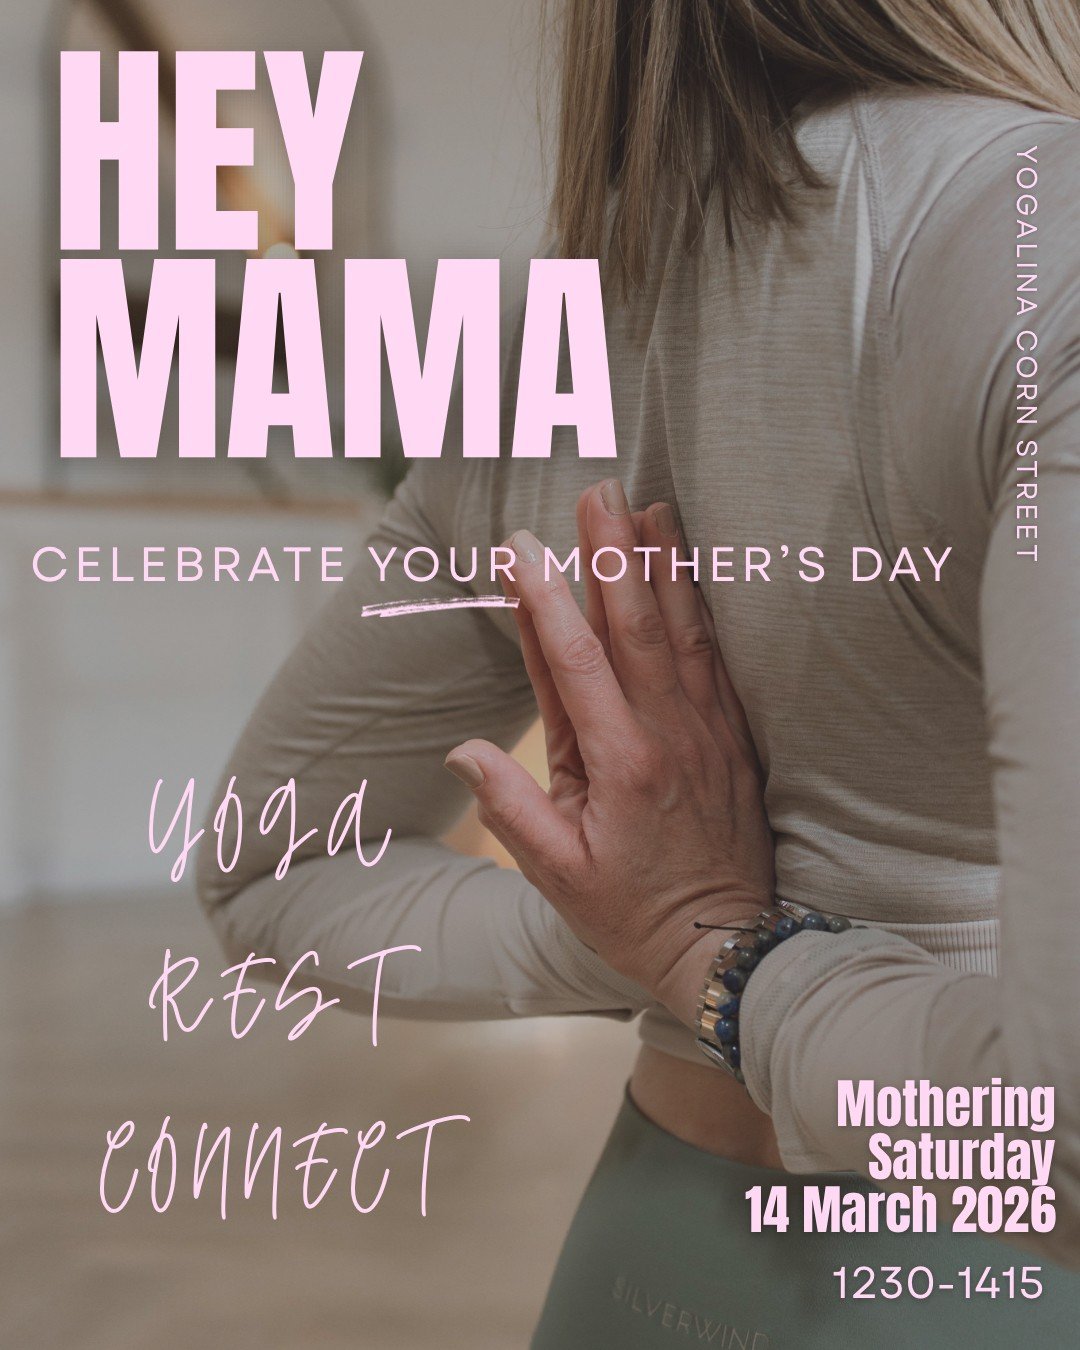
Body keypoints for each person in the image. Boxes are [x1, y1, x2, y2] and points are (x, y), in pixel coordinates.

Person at [197, 1, 1080, 1343]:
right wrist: (698, 946)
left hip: (646, 1254)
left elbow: (267, 865)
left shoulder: (557, 333)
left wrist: (663, 939)